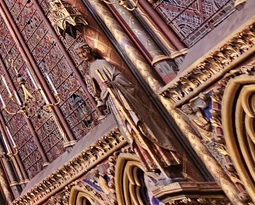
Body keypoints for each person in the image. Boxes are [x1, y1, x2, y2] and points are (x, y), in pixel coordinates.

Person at [76, 43, 182, 175]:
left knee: (137, 124)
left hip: (121, 98)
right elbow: (97, 90)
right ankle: (151, 162)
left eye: (82, 52)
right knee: (129, 131)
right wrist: (100, 96)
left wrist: (113, 84)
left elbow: (119, 77)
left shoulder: (101, 63)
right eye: (79, 54)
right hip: (112, 102)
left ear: (88, 50)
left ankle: (164, 158)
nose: (82, 56)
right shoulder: (91, 70)